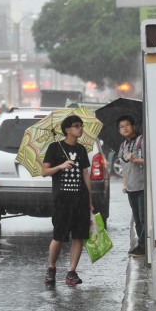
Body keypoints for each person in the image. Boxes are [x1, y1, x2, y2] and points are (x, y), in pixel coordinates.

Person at [42, 114, 93, 286]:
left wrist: (90, 200)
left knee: (79, 236)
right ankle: (51, 268)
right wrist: (60, 166)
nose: (80, 129)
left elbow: (86, 174)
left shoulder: (81, 150)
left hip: (80, 199)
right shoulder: (54, 148)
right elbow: (44, 171)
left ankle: (71, 272)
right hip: (62, 200)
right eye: (77, 126)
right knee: (59, 236)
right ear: (67, 130)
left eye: (81, 126)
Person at [117, 115, 145, 257]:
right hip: (131, 187)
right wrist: (124, 184)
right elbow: (124, 167)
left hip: (143, 186)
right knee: (136, 217)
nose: (125, 128)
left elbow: (150, 160)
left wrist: (136, 159)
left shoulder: (142, 141)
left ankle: (143, 245)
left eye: (127, 125)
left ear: (133, 126)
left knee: (142, 217)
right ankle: (141, 244)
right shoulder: (123, 146)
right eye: (122, 127)